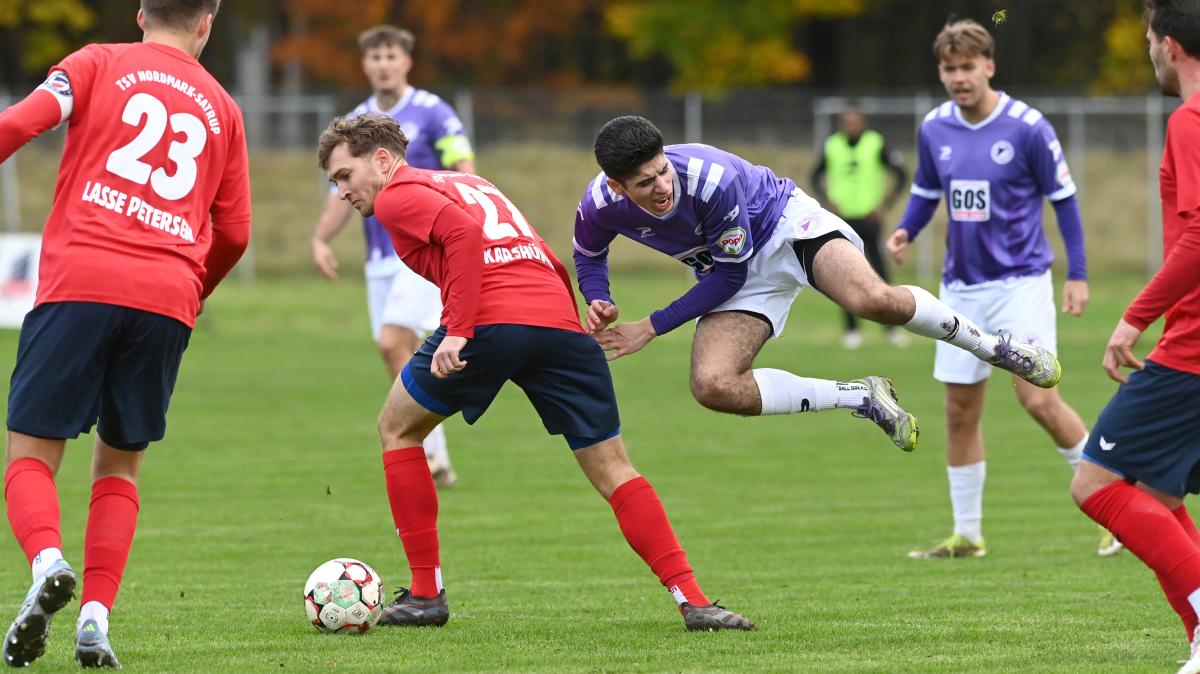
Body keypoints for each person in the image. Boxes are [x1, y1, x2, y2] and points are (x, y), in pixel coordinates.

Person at [316, 113, 755, 632]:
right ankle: (695, 601)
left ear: (382, 160)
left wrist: (458, 329)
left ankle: (425, 595)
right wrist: (568, 325)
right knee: (616, 469)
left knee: (396, 429)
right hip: (556, 323)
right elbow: (544, 253)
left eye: (344, 176)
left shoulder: (397, 194)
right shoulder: (469, 181)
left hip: (490, 320)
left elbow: (461, 234)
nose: (342, 191)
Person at [572, 115, 1062, 457]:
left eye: (662, 170)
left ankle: (993, 347)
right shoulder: (598, 204)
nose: (661, 186)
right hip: (733, 265)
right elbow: (589, 254)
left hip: (786, 227)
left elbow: (730, 275)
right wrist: (600, 299)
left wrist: (651, 326)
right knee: (713, 386)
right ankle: (862, 396)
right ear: (617, 187)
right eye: (644, 183)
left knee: (872, 300)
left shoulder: (707, 178)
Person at [0, 0, 250, 667]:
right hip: (165, 296)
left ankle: (48, 561)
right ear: (207, 21)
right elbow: (235, 233)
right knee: (118, 465)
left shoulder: (97, 62)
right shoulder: (224, 108)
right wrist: (189, 292)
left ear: (141, 12)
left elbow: (22, 123)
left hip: (80, 278)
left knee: (30, 455)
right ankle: (94, 621)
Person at [885, 19, 1101, 560]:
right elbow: (925, 191)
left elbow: (1065, 201)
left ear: (989, 65)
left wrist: (1077, 273)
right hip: (960, 288)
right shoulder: (934, 127)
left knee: (1037, 398)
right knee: (959, 410)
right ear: (941, 71)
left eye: (967, 67)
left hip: (1021, 283)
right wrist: (907, 228)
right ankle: (968, 535)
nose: (958, 77)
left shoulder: (1028, 127)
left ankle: (1111, 510)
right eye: (949, 68)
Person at [1071, 3, 1200, 672]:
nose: (1147, 47)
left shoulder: (1191, 118)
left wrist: (1136, 316)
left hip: (1193, 348)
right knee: (1157, 494)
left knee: (1095, 484)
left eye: (1149, 37)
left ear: (1169, 45)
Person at [310, 25, 474, 488]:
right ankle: (434, 454)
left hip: (423, 247)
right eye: (375, 57)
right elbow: (339, 192)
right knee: (394, 351)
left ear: (407, 61)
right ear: (366, 64)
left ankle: (425, 451)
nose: (383, 63)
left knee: (392, 340)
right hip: (380, 257)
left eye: (391, 56)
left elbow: (463, 167)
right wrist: (322, 239)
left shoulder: (433, 111)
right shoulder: (355, 122)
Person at [811, 106, 909, 349]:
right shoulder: (832, 145)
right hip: (842, 219)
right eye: (847, 122)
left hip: (869, 218)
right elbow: (815, 175)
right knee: (844, 273)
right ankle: (851, 330)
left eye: (856, 121)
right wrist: (827, 200)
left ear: (862, 123)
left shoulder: (875, 143)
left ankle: (890, 327)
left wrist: (884, 205)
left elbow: (901, 174)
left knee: (880, 271)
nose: (851, 126)